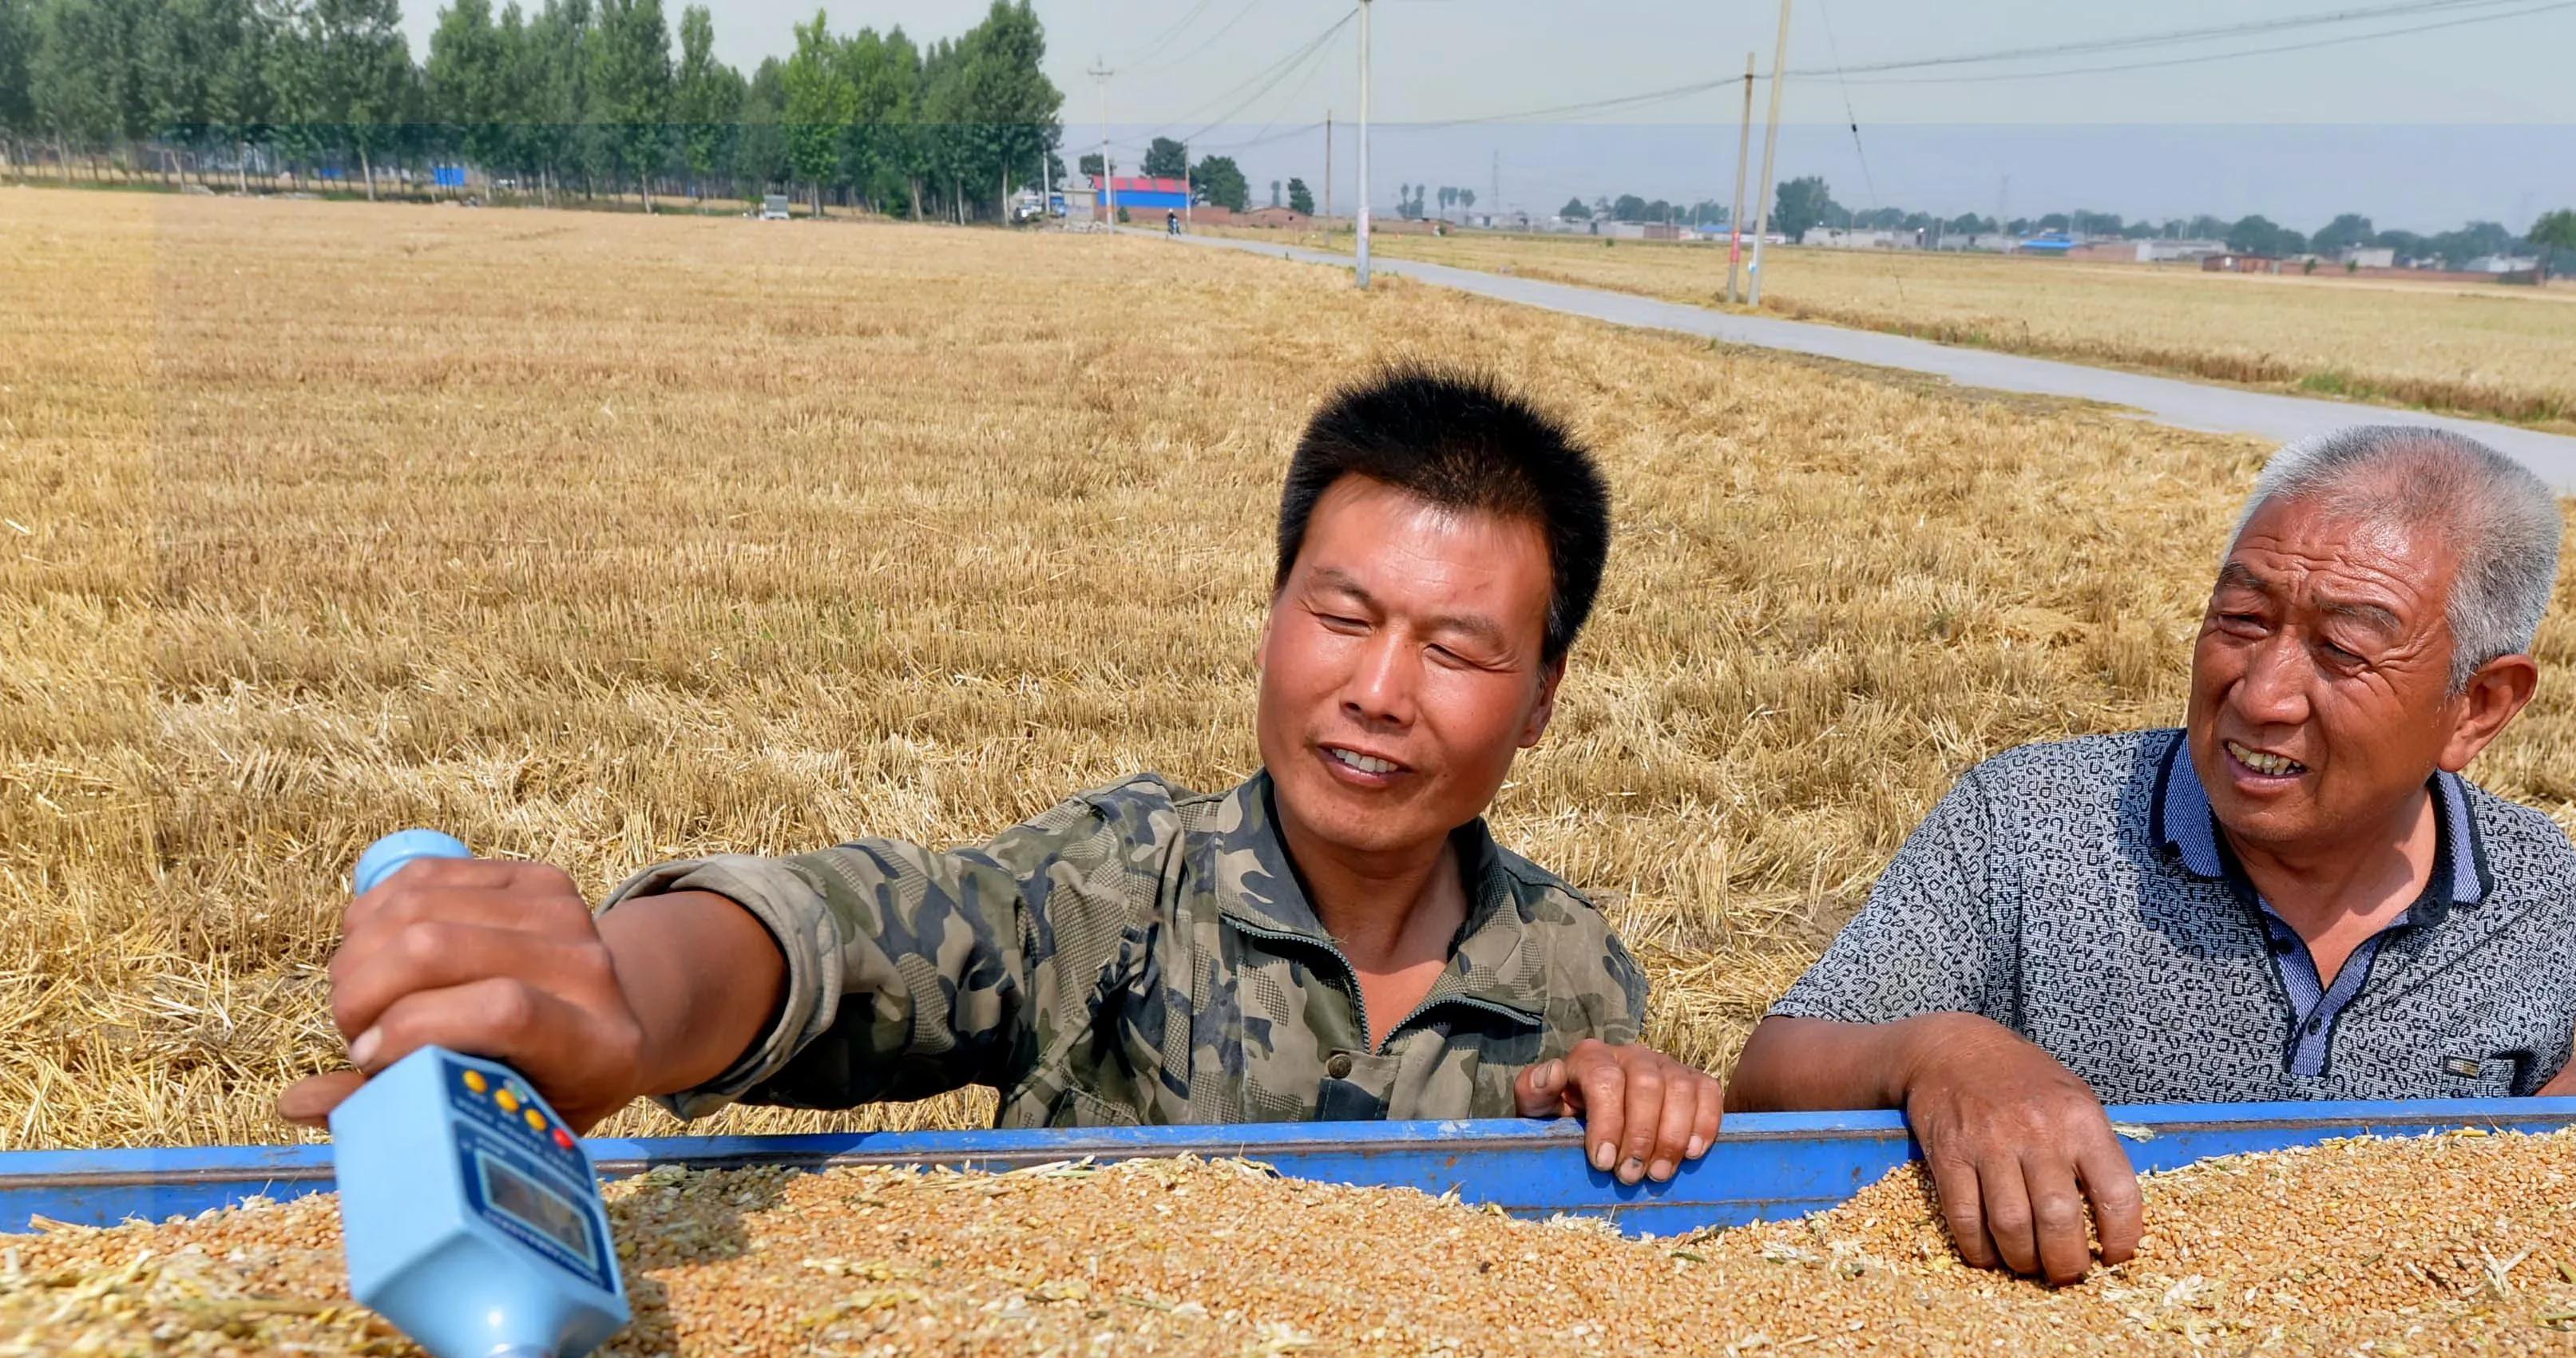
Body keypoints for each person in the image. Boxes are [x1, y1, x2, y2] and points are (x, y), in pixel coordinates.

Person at [284, 368, 1724, 1183]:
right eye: (1341, 618)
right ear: (1277, 614)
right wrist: (621, 996)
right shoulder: (1116, 888)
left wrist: (1636, 1112)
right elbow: (865, 931)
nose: (1377, 692)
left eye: (1457, 652)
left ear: (1540, 701)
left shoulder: (1573, 970)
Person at [1730, 424, 2576, 1284]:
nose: (2262, 694)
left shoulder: (2530, 889)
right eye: (2241, 622)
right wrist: (1947, 1051)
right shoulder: (2029, 825)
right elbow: (1773, 1074)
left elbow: (2518, 1100)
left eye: (2342, 649)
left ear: (2477, 708)